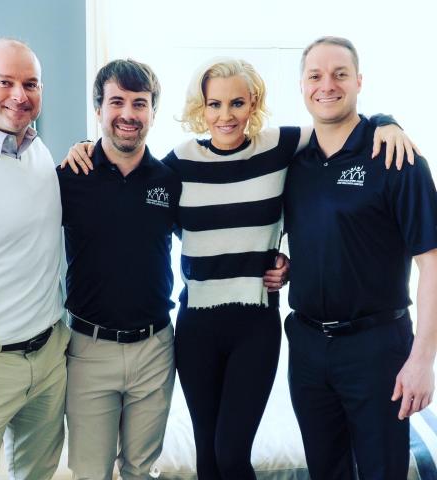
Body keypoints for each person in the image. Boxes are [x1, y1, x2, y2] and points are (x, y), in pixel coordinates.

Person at [63, 55, 414, 479]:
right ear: (202, 106)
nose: (225, 115)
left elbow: (338, 123)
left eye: (237, 103)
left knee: (231, 454)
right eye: (215, 104)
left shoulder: (280, 146)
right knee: (208, 458)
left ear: (253, 104)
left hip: (255, 326)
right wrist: (84, 145)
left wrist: (386, 122)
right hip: (196, 327)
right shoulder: (177, 165)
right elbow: (129, 175)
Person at [280, 36, 437, 480]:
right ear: (302, 85)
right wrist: (282, 265)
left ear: (359, 81)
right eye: (315, 75)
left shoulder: (396, 157)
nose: (327, 85)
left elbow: (432, 264)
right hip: (307, 347)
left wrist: (423, 361)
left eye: (340, 74)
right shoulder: (293, 162)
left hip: (376, 348)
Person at [57, 59, 181, 480]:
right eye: (117, 102)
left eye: (140, 103)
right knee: (91, 472)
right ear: (98, 109)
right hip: (89, 348)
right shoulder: (69, 177)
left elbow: (210, 237)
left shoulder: (170, 180)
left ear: (152, 113)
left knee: (140, 471)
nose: (128, 114)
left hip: (155, 347)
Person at [0, 39, 69, 479]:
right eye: (5, 82)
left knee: (37, 473)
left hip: (48, 356)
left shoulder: (37, 150)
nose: (19, 95)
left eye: (31, 84)